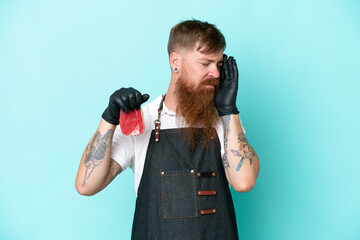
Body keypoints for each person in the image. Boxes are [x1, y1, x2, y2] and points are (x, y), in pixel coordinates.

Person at [75, 19, 260, 240]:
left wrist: (229, 111)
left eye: (219, 65)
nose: (217, 74)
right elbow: (86, 185)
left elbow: (244, 182)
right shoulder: (142, 120)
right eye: (205, 63)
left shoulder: (224, 123)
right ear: (176, 62)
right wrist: (109, 118)